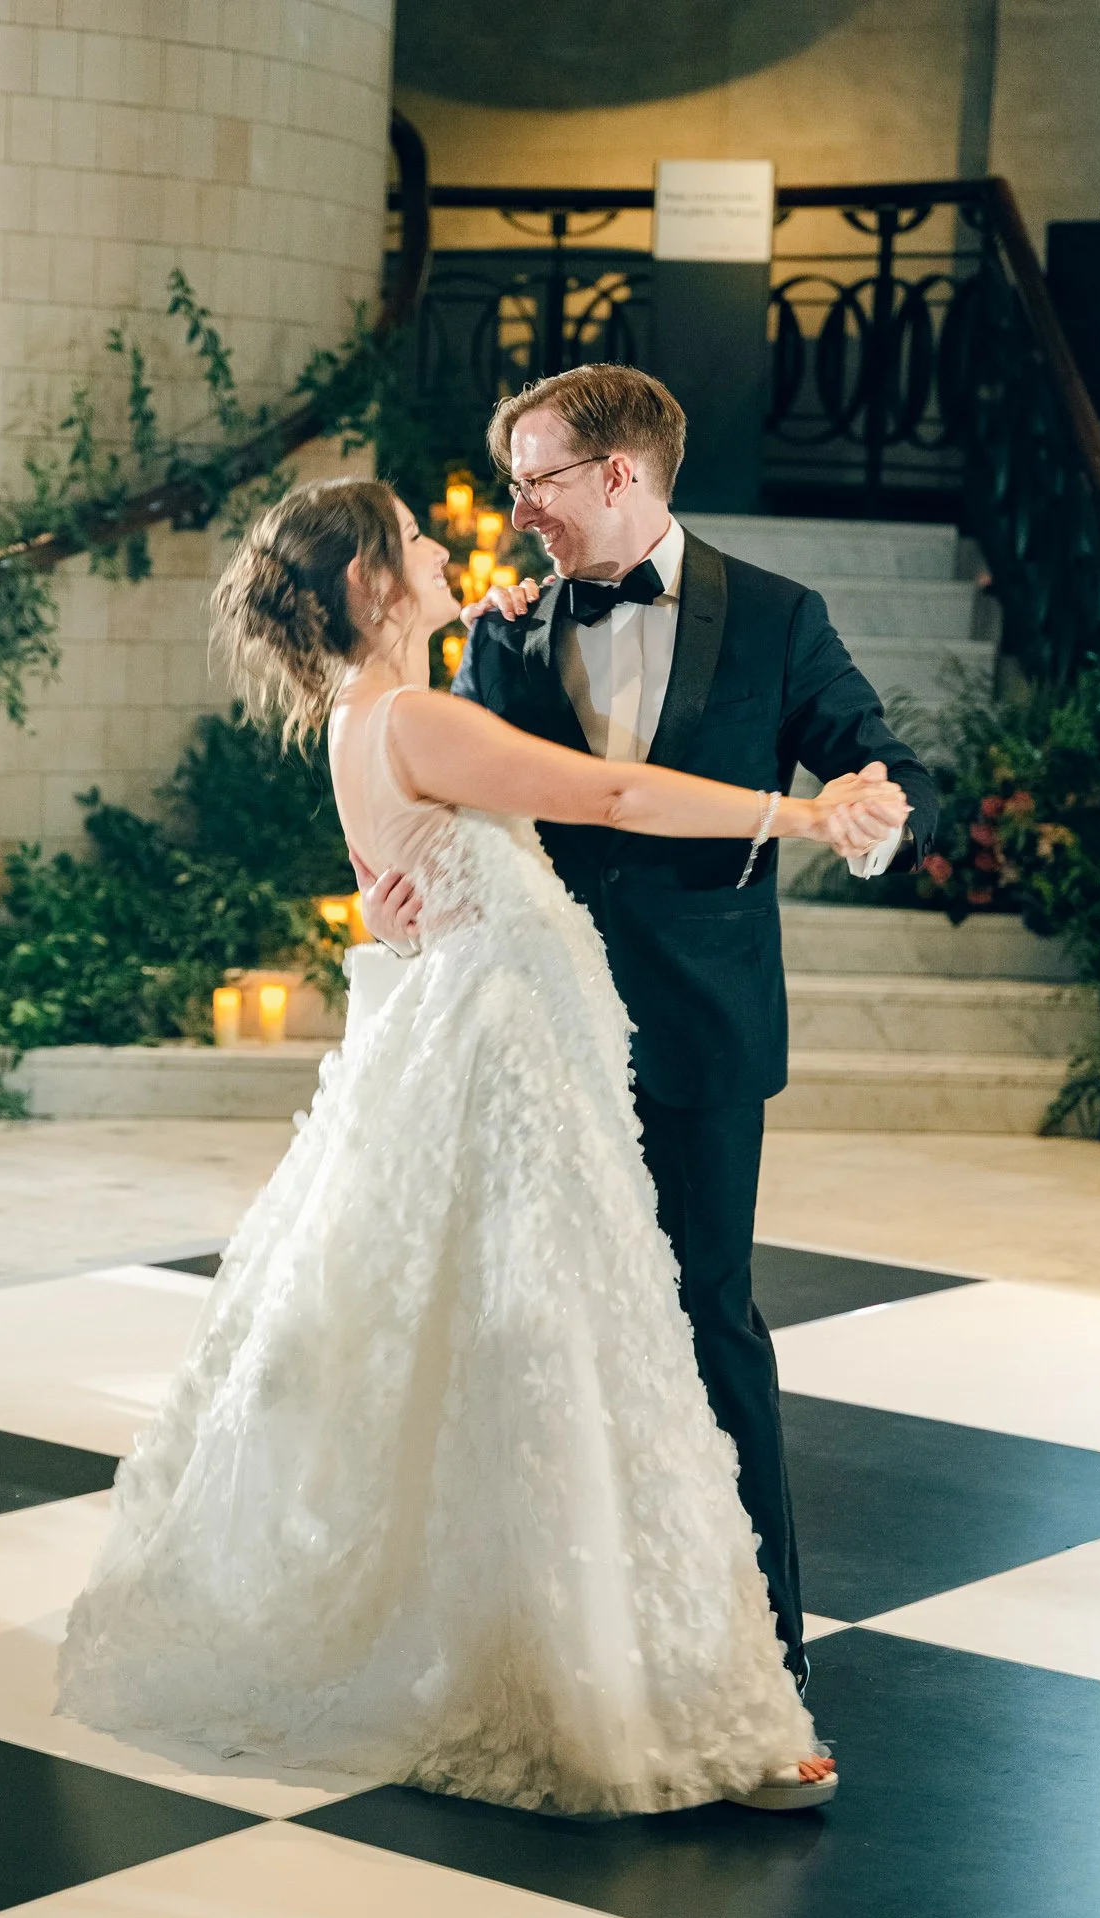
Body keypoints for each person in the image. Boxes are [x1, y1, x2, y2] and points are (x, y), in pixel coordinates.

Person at [57, 477, 909, 1815]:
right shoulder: (417, 715)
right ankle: (605, 1674)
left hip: (505, 1042)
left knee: (504, 1349)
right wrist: (797, 816)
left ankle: (538, 1639)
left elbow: (438, 859)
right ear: (367, 589)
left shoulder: (373, 713)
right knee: (569, 1348)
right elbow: (612, 796)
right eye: (415, 539)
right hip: (506, 1062)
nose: (456, 540)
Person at [359, 366, 939, 1699]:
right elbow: (468, 817)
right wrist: (402, 900)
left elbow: (876, 755)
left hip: (701, 1023)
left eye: (538, 478)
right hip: (532, 1022)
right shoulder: (503, 633)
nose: (516, 509)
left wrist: (869, 806)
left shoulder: (779, 618)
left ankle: (759, 1648)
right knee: (539, 1326)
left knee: (707, 1318)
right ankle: (557, 1638)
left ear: (619, 473)